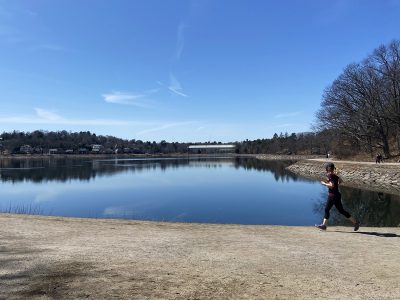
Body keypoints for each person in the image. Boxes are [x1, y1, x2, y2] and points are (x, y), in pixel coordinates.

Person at [315, 163, 360, 231]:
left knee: (334, 210)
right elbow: (341, 181)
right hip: (334, 195)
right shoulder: (334, 175)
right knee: (332, 210)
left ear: (328, 169)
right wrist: (335, 184)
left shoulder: (331, 175)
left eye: (327, 168)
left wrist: (324, 183)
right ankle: (324, 225)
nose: (327, 170)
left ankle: (356, 223)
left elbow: (332, 185)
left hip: (334, 196)